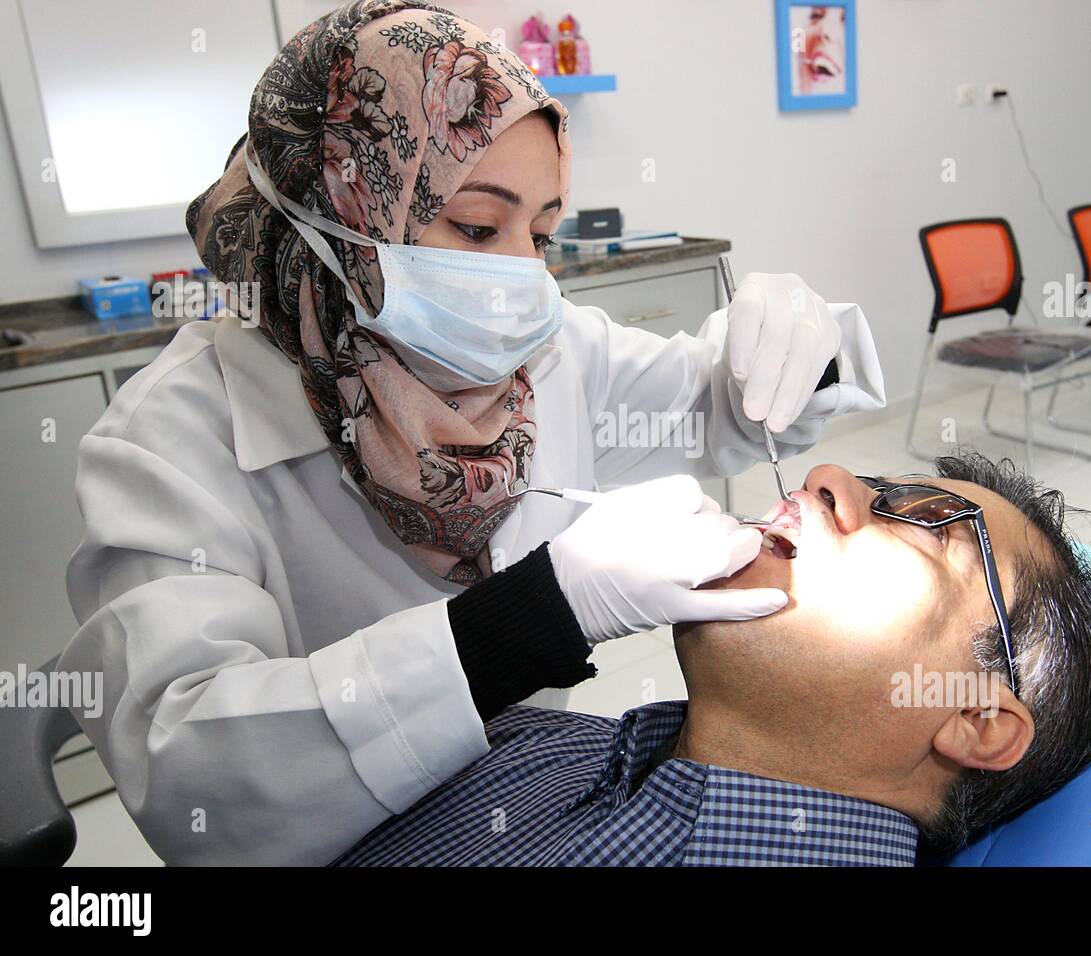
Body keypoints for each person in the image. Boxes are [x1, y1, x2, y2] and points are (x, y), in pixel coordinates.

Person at [59, 1, 884, 865]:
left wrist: (801, 345)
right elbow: (198, 783)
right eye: (478, 227)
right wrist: (528, 621)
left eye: (543, 231)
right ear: (338, 209)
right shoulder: (168, 442)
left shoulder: (550, 360)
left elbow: (718, 403)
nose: (528, 279)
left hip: (521, 811)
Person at [334, 452, 1091, 866]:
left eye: (928, 526)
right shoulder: (565, 746)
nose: (829, 480)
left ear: (977, 718)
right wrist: (523, 620)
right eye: (875, 483)